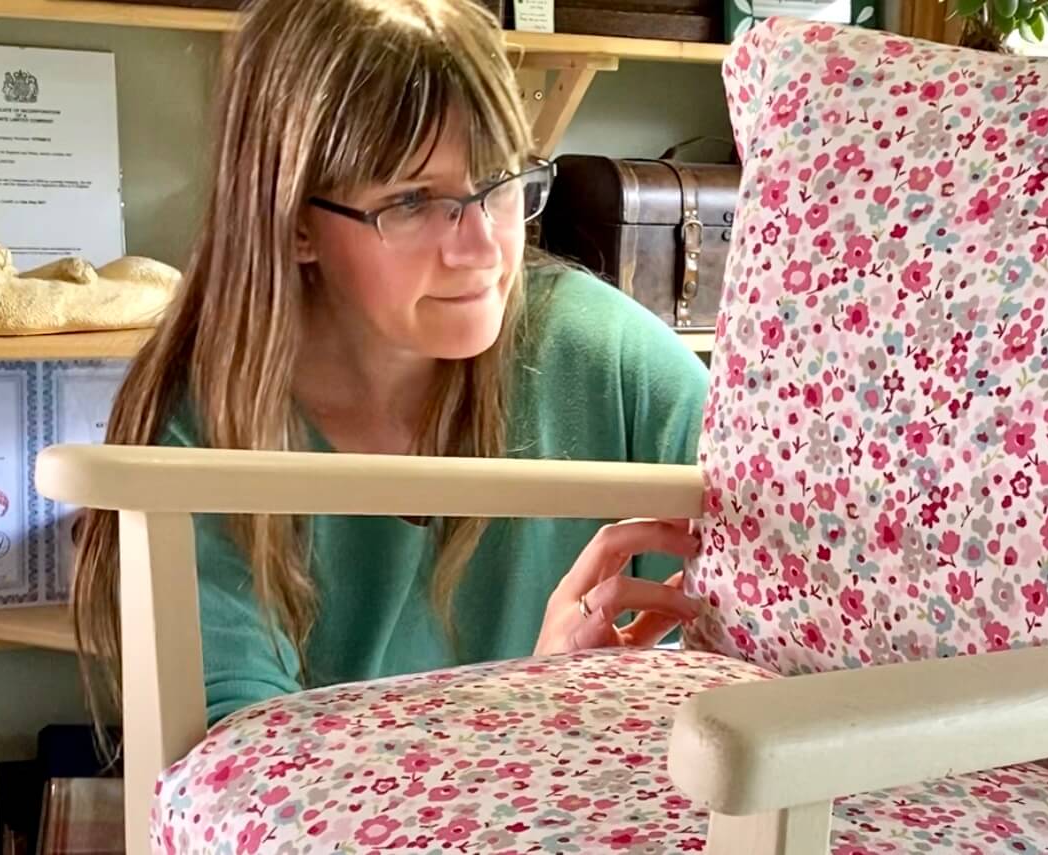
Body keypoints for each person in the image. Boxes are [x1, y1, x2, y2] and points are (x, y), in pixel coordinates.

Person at [73, 0, 709, 726]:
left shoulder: (610, 356)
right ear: (296, 223)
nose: (480, 248)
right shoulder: (192, 433)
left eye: (498, 183)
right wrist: (529, 712)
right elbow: (241, 775)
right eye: (410, 202)